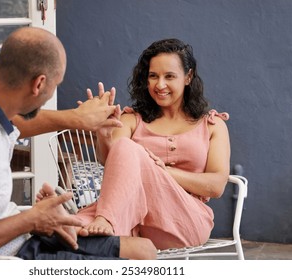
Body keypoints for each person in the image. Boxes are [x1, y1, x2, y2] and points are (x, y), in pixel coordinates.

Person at [0, 26, 156, 260]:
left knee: (144, 250)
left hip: (14, 242)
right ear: (39, 83)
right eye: (55, 85)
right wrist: (34, 219)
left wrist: (78, 119)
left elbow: (18, 124)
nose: (51, 93)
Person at [75, 38, 231, 250]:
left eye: (169, 76)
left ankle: (106, 221)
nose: (160, 85)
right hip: (134, 219)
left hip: (185, 222)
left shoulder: (212, 125)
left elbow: (216, 185)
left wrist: (161, 171)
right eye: (153, 76)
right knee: (73, 228)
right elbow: (113, 162)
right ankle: (79, 228)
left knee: (128, 149)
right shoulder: (131, 120)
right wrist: (102, 134)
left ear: (188, 77)